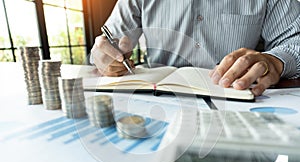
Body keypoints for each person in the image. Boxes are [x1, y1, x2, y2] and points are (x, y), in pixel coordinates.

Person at [90, 0, 300, 96]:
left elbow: (295, 42)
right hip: (156, 100)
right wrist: (102, 56)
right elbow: (106, 44)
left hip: (237, 100)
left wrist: (274, 61)